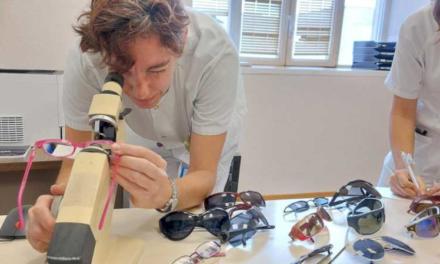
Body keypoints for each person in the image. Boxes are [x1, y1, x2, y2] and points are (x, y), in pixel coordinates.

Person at [26, 0, 246, 252]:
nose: (141, 91)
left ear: (183, 39)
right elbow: (74, 160)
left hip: (205, 131)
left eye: (157, 69)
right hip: (144, 133)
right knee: (143, 209)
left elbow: (204, 175)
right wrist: (58, 209)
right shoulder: (86, 59)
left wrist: (168, 194)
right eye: (122, 73)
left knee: (197, 219)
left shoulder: (214, 55)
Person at [378, 0, 440, 198]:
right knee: (387, 223)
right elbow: (403, 111)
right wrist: (404, 169)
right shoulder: (418, 25)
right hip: (420, 149)